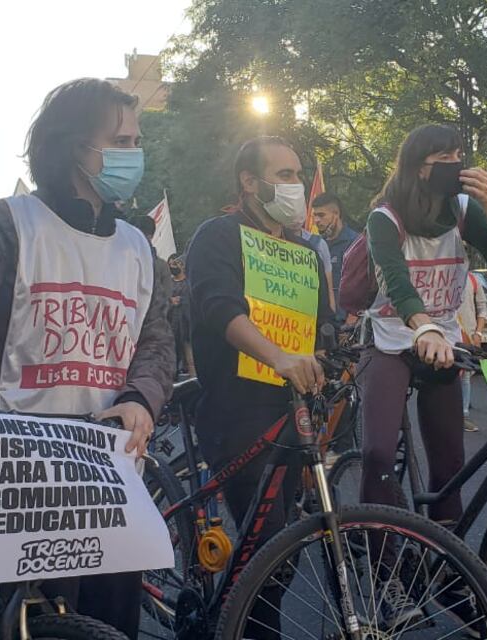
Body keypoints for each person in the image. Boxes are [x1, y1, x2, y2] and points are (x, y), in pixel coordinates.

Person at [0, 78, 175, 640]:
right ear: (75, 146)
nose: (134, 153)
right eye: (121, 141)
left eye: (135, 140)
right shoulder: (6, 222)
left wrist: (142, 398)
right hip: (22, 466)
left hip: (111, 463)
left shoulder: (140, 247)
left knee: (110, 621)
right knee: (31, 622)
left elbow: (156, 342)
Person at [359, 123, 487, 628]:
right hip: (393, 338)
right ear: (416, 166)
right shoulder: (383, 217)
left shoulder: (462, 211)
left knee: (450, 463)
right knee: (377, 453)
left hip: (444, 344)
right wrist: (423, 326)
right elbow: (396, 281)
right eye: (442, 156)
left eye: (459, 153)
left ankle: (449, 568)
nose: (454, 162)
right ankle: (385, 572)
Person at [185, 135, 331, 639]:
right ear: (249, 182)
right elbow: (219, 307)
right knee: (267, 554)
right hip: (236, 412)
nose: (296, 186)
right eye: (284, 175)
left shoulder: (306, 255)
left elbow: (323, 330)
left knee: (282, 553)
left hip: (291, 414)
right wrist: (279, 356)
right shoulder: (217, 235)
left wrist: (331, 363)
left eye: (298, 175)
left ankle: (235, 620)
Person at [312, 192, 360, 322]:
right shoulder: (316, 245)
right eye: (314, 215)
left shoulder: (356, 243)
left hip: (348, 324)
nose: (316, 220)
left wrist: (352, 318)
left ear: (336, 214)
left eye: (321, 215)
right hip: (323, 322)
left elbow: (363, 285)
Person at [457, 271, 487, 431]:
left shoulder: (472, 280)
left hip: (468, 337)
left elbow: (483, 309)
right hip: (445, 336)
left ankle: (463, 415)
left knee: (465, 377)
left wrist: (478, 333)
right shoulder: (440, 276)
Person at [167, 254, 194, 376]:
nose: (172, 266)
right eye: (170, 264)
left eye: (175, 264)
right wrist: (170, 301)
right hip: (171, 326)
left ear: (182, 265)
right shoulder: (167, 283)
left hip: (187, 327)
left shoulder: (190, 282)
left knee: (190, 360)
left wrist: (182, 300)